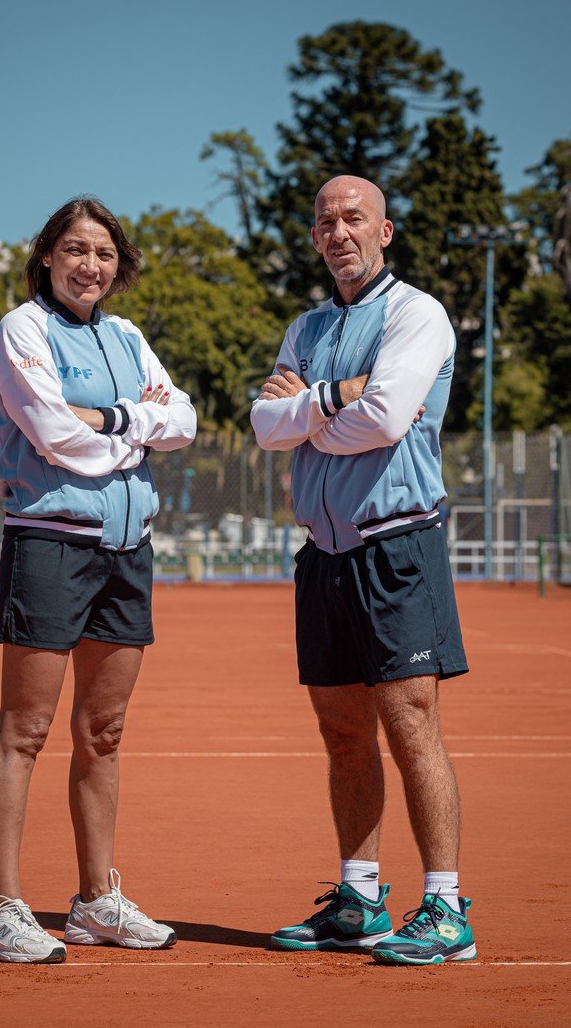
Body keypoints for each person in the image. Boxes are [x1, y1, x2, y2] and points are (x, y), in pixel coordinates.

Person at [250, 175, 475, 966]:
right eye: (325, 221)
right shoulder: (307, 326)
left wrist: (307, 413)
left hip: (398, 546)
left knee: (413, 728)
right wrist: (333, 400)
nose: (338, 231)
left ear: (385, 232)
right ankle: (360, 899)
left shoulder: (418, 313)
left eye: (354, 218)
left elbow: (384, 418)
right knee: (343, 732)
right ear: (314, 237)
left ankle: (446, 909)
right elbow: (263, 426)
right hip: (324, 555)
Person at [0, 197, 196, 963]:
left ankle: (95, 900)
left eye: (102, 253)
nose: (89, 265)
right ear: (46, 257)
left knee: (103, 733)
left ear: (117, 263)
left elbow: (185, 421)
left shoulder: (129, 337)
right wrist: (134, 429)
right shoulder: (21, 329)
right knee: (26, 730)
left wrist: (111, 422)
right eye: (74, 250)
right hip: (50, 543)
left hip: (127, 546)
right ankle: (1, 909)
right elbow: (52, 432)